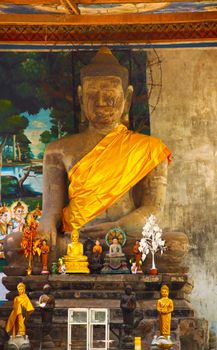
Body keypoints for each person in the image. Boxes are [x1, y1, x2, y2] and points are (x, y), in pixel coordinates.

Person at [38, 47, 171, 255]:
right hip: (75, 240)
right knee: (13, 243)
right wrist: (46, 222)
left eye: (109, 94)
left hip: (126, 239)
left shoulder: (149, 149)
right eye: (92, 94)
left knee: (175, 245)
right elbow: (51, 210)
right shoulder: (57, 151)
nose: (101, 102)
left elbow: (153, 210)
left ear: (126, 98)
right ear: (81, 97)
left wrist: (119, 227)